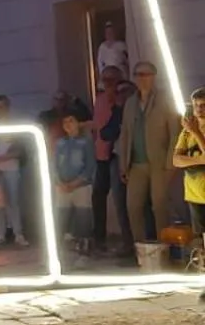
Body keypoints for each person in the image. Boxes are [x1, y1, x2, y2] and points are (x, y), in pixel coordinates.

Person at [119, 61, 178, 248]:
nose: (141, 79)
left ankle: (164, 248)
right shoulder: (130, 103)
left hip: (159, 162)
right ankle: (141, 249)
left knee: (159, 205)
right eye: (138, 75)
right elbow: (125, 134)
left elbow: (175, 132)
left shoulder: (165, 99)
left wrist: (171, 163)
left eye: (146, 74)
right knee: (133, 206)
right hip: (136, 163)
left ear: (154, 77)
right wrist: (123, 164)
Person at [91, 65, 131, 257]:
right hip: (102, 155)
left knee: (121, 199)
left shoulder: (124, 99)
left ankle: (128, 242)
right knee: (98, 196)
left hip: (117, 155)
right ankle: (99, 238)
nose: (107, 84)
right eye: (104, 80)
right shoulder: (100, 100)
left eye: (111, 80)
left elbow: (113, 129)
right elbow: (100, 128)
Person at [0, 96, 28, 248]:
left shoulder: (16, 125)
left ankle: (18, 234)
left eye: (1, 107)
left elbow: (20, 150)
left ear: (7, 107)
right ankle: (1, 234)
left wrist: (2, 158)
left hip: (11, 167)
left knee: (13, 202)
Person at [53, 112, 94, 254]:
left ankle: (84, 245)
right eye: (65, 122)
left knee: (83, 216)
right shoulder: (60, 143)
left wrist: (76, 182)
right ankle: (61, 246)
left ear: (78, 123)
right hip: (62, 186)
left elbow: (90, 166)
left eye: (71, 121)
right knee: (62, 216)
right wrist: (59, 182)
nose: (68, 125)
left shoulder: (86, 142)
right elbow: (55, 165)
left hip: (81, 185)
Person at [174, 90, 205, 260]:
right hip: (194, 193)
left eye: (203, 106)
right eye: (196, 106)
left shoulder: (191, 131)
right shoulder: (185, 133)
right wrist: (199, 159)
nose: (199, 110)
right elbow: (176, 160)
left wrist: (197, 133)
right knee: (200, 236)